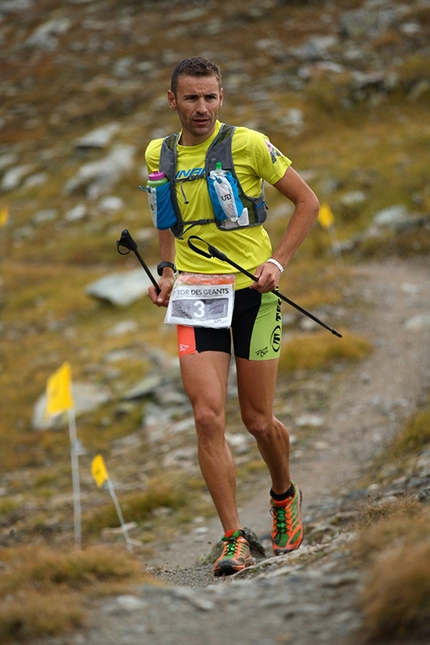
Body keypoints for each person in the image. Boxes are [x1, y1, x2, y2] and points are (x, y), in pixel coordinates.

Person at [146, 56, 319, 577]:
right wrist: (167, 270)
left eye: (211, 97)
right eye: (192, 98)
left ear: (221, 98)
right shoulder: (159, 153)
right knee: (206, 417)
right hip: (197, 296)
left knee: (258, 420)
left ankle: (284, 497)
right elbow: (163, 217)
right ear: (172, 100)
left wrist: (277, 261)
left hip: (253, 295)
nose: (202, 108)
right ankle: (232, 539)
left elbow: (307, 202)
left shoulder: (247, 144)